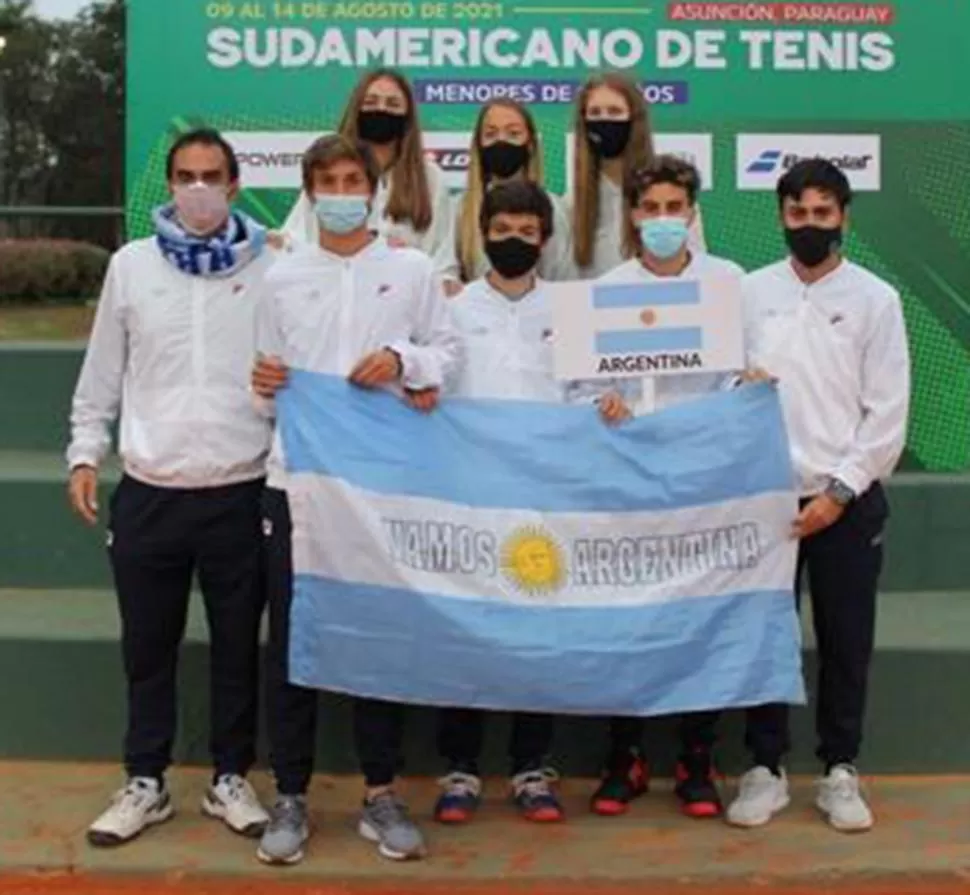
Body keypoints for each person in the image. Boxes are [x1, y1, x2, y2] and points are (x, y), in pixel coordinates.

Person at [250, 134, 463, 866]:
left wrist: (407, 361)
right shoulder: (279, 276)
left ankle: (380, 793)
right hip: (296, 485)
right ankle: (291, 795)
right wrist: (266, 384)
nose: (341, 192)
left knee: (379, 636)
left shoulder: (409, 269)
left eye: (353, 179)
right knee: (293, 641)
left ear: (373, 188)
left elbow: (448, 355)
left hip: (382, 487)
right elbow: (263, 372)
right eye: (327, 182)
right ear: (309, 192)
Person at [67, 129, 277, 847]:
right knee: (147, 647)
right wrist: (83, 453)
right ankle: (146, 781)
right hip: (151, 491)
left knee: (235, 647)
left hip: (240, 490)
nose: (197, 189)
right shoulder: (130, 267)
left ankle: (229, 776)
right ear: (169, 186)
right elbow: (102, 371)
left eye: (211, 175)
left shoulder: (272, 266)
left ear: (235, 180)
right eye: (185, 175)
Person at [725, 159, 910, 833]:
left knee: (845, 638)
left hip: (845, 501)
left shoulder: (876, 299)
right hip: (764, 500)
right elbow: (722, 387)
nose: (810, 224)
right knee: (764, 639)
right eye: (798, 212)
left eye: (823, 213)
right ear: (781, 216)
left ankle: (840, 768)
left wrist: (838, 491)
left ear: (844, 218)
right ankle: (764, 767)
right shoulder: (747, 292)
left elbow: (886, 414)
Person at [587, 155, 750, 819]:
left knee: (700, 618)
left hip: (705, 480)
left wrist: (715, 416)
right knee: (629, 619)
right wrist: (605, 403)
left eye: (673, 209)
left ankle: (697, 758)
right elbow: (582, 382)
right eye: (649, 209)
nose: (661, 221)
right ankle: (623, 757)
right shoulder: (609, 287)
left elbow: (744, 375)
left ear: (692, 213)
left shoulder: (729, 283)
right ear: (632, 215)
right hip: (628, 481)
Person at [435, 180, 569, 826]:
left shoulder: (573, 311)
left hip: (544, 505)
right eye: (502, 229)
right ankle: (459, 768)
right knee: (465, 636)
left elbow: (589, 395)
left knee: (535, 639)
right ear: (482, 232)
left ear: (545, 238)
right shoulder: (453, 310)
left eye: (526, 231)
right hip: (470, 503)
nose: (513, 240)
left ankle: (530, 767)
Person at [281, 68, 455, 283]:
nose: (381, 110)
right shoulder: (330, 171)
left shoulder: (430, 179)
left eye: (392, 104)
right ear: (357, 109)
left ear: (407, 117)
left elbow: (444, 262)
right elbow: (295, 242)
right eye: (371, 102)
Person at [568, 73, 705, 279]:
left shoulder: (670, 197)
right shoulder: (572, 203)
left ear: (635, 119)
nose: (605, 120)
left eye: (615, 112)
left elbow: (696, 271)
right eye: (595, 113)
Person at [452, 99, 573, 286]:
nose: (501, 141)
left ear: (530, 144)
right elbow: (445, 270)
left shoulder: (552, 207)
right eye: (491, 134)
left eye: (513, 133)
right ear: (479, 145)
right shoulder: (462, 208)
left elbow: (561, 276)